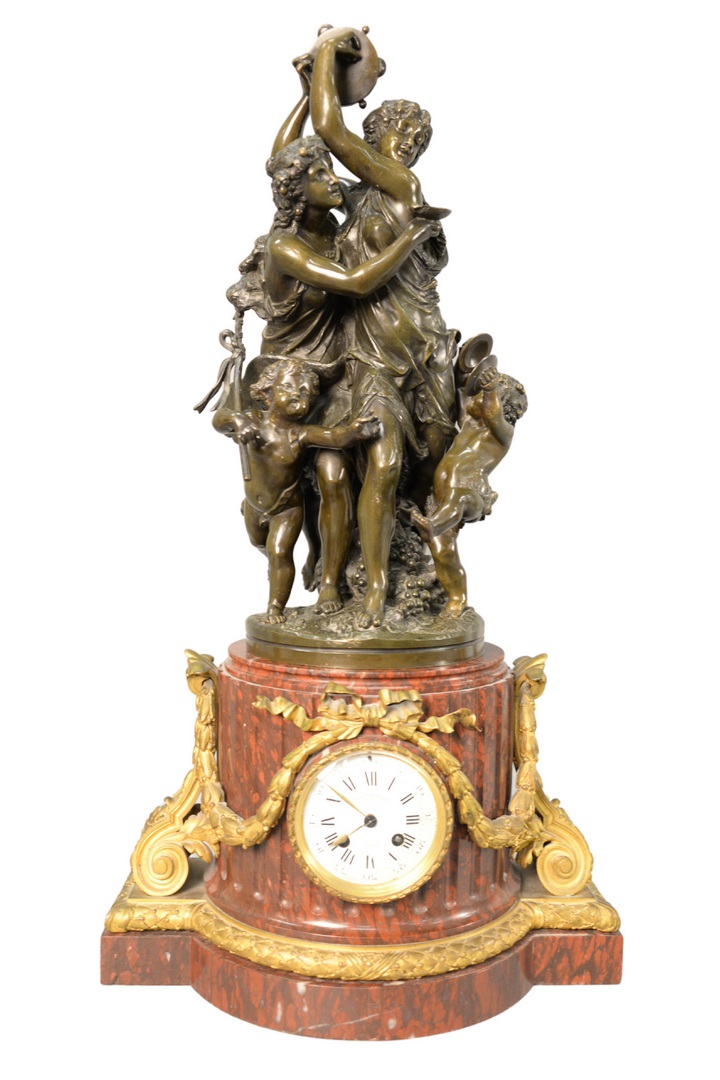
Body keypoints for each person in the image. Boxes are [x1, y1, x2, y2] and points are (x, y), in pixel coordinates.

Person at [207, 73, 440, 616]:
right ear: (295, 191)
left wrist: (305, 92)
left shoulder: (337, 226)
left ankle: (333, 583)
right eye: (319, 174)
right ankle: (306, 575)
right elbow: (356, 284)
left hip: (336, 371)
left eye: (331, 170)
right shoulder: (285, 247)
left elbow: (286, 156)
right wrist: (411, 238)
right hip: (288, 377)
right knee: (282, 501)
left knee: (335, 475)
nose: (333, 179)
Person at [310, 29, 459, 627]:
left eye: (419, 141)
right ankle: (372, 589)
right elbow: (316, 139)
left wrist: (323, 69)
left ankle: (412, 571)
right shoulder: (357, 195)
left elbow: (330, 131)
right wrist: (323, 60)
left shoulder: (405, 189)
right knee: (385, 462)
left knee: (431, 469)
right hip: (370, 355)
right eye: (401, 134)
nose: (411, 147)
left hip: (425, 347)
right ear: (372, 139)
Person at [233, 358, 380, 622]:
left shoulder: (301, 434)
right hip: (254, 506)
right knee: (260, 544)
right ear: (267, 392)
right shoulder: (253, 421)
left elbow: (334, 438)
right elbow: (221, 419)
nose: (296, 395)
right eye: (288, 387)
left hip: (286, 507)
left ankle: (275, 607)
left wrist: (353, 431)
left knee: (280, 553)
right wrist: (236, 422)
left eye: (304, 392)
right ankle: (275, 569)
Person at [411, 359, 528, 616]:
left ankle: (432, 525)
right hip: (441, 496)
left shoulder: (502, 433)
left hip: (471, 493)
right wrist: (464, 372)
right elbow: (463, 397)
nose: (477, 397)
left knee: (458, 498)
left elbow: (492, 414)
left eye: (485, 394)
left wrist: (490, 390)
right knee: (442, 551)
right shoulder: (469, 424)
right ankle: (456, 598)